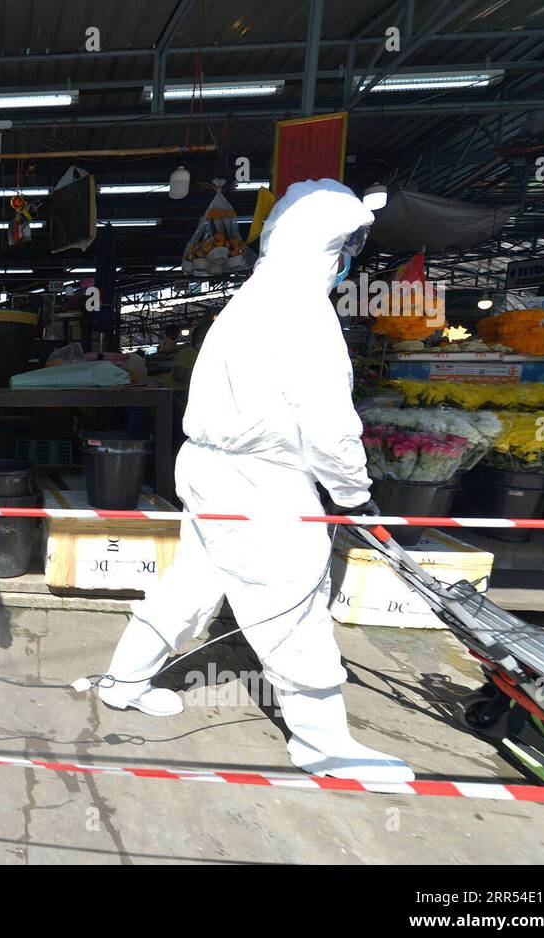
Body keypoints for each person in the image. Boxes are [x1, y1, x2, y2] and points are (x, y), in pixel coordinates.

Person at [97, 179, 414, 784]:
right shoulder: (305, 312)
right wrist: (355, 496)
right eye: (347, 251)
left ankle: (124, 680)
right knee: (292, 602)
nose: (348, 264)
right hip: (262, 482)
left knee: (194, 581)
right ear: (331, 249)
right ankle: (324, 746)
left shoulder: (248, 300)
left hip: (209, 468)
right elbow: (328, 425)